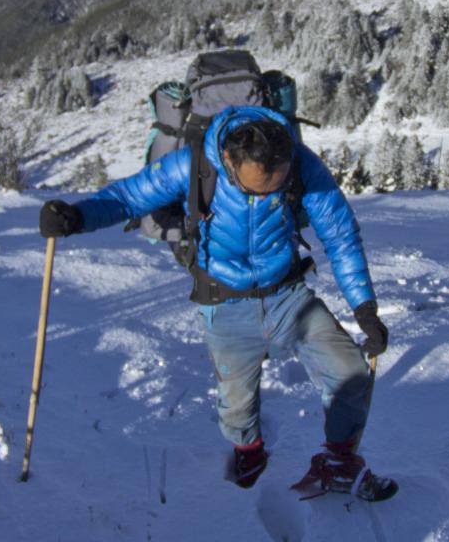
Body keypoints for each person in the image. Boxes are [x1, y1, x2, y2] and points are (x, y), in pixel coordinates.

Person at [39, 105, 389, 492]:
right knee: (236, 405)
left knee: (350, 371)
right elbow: (129, 197)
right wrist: (76, 217)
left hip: (289, 295)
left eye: (278, 184)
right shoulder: (195, 164)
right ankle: (249, 453)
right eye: (256, 186)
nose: (268, 192)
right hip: (224, 303)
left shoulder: (299, 162)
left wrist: (365, 307)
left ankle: (339, 461)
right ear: (227, 159)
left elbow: (339, 233)